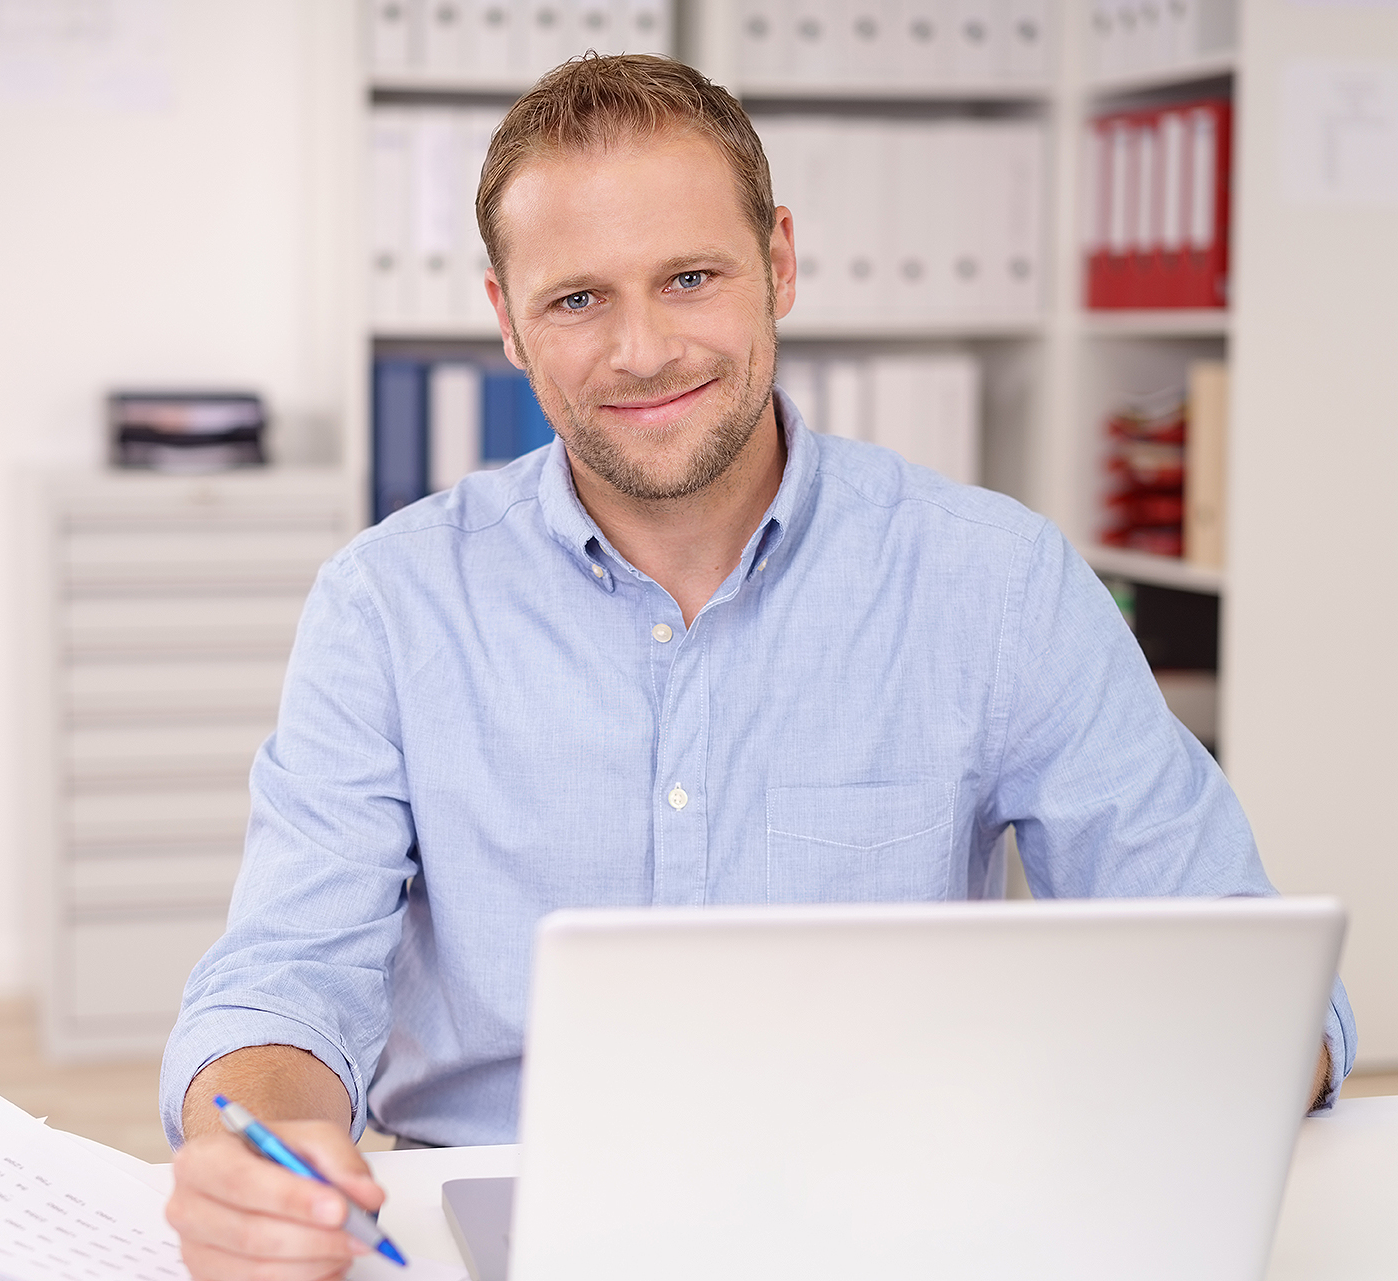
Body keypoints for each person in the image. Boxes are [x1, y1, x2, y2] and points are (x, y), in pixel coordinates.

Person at [157, 54, 1355, 1281]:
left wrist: (1225, 1059)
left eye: (689, 277)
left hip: (903, 1222)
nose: (641, 351)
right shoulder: (388, 605)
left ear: (778, 262)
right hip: (501, 1217)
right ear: (506, 320)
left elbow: (1241, 966)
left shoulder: (995, 584)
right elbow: (286, 980)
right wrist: (261, 1150)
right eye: (576, 300)